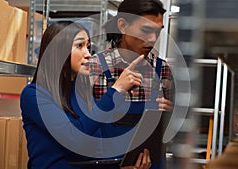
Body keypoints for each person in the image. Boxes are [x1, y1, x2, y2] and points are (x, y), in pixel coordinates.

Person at [20, 21, 152, 169]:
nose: (88, 54)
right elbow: (74, 138)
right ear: (58, 50)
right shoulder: (34, 95)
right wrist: (116, 90)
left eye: (88, 46)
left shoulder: (83, 94)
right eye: (79, 46)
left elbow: (95, 150)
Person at [89, 0, 175, 168]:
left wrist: (171, 116)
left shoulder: (163, 69)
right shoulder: (94, 67)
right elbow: (82, 127)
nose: (152, 39)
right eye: (146, 30)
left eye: (157, 32)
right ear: (123, 26)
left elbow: (173, 132)